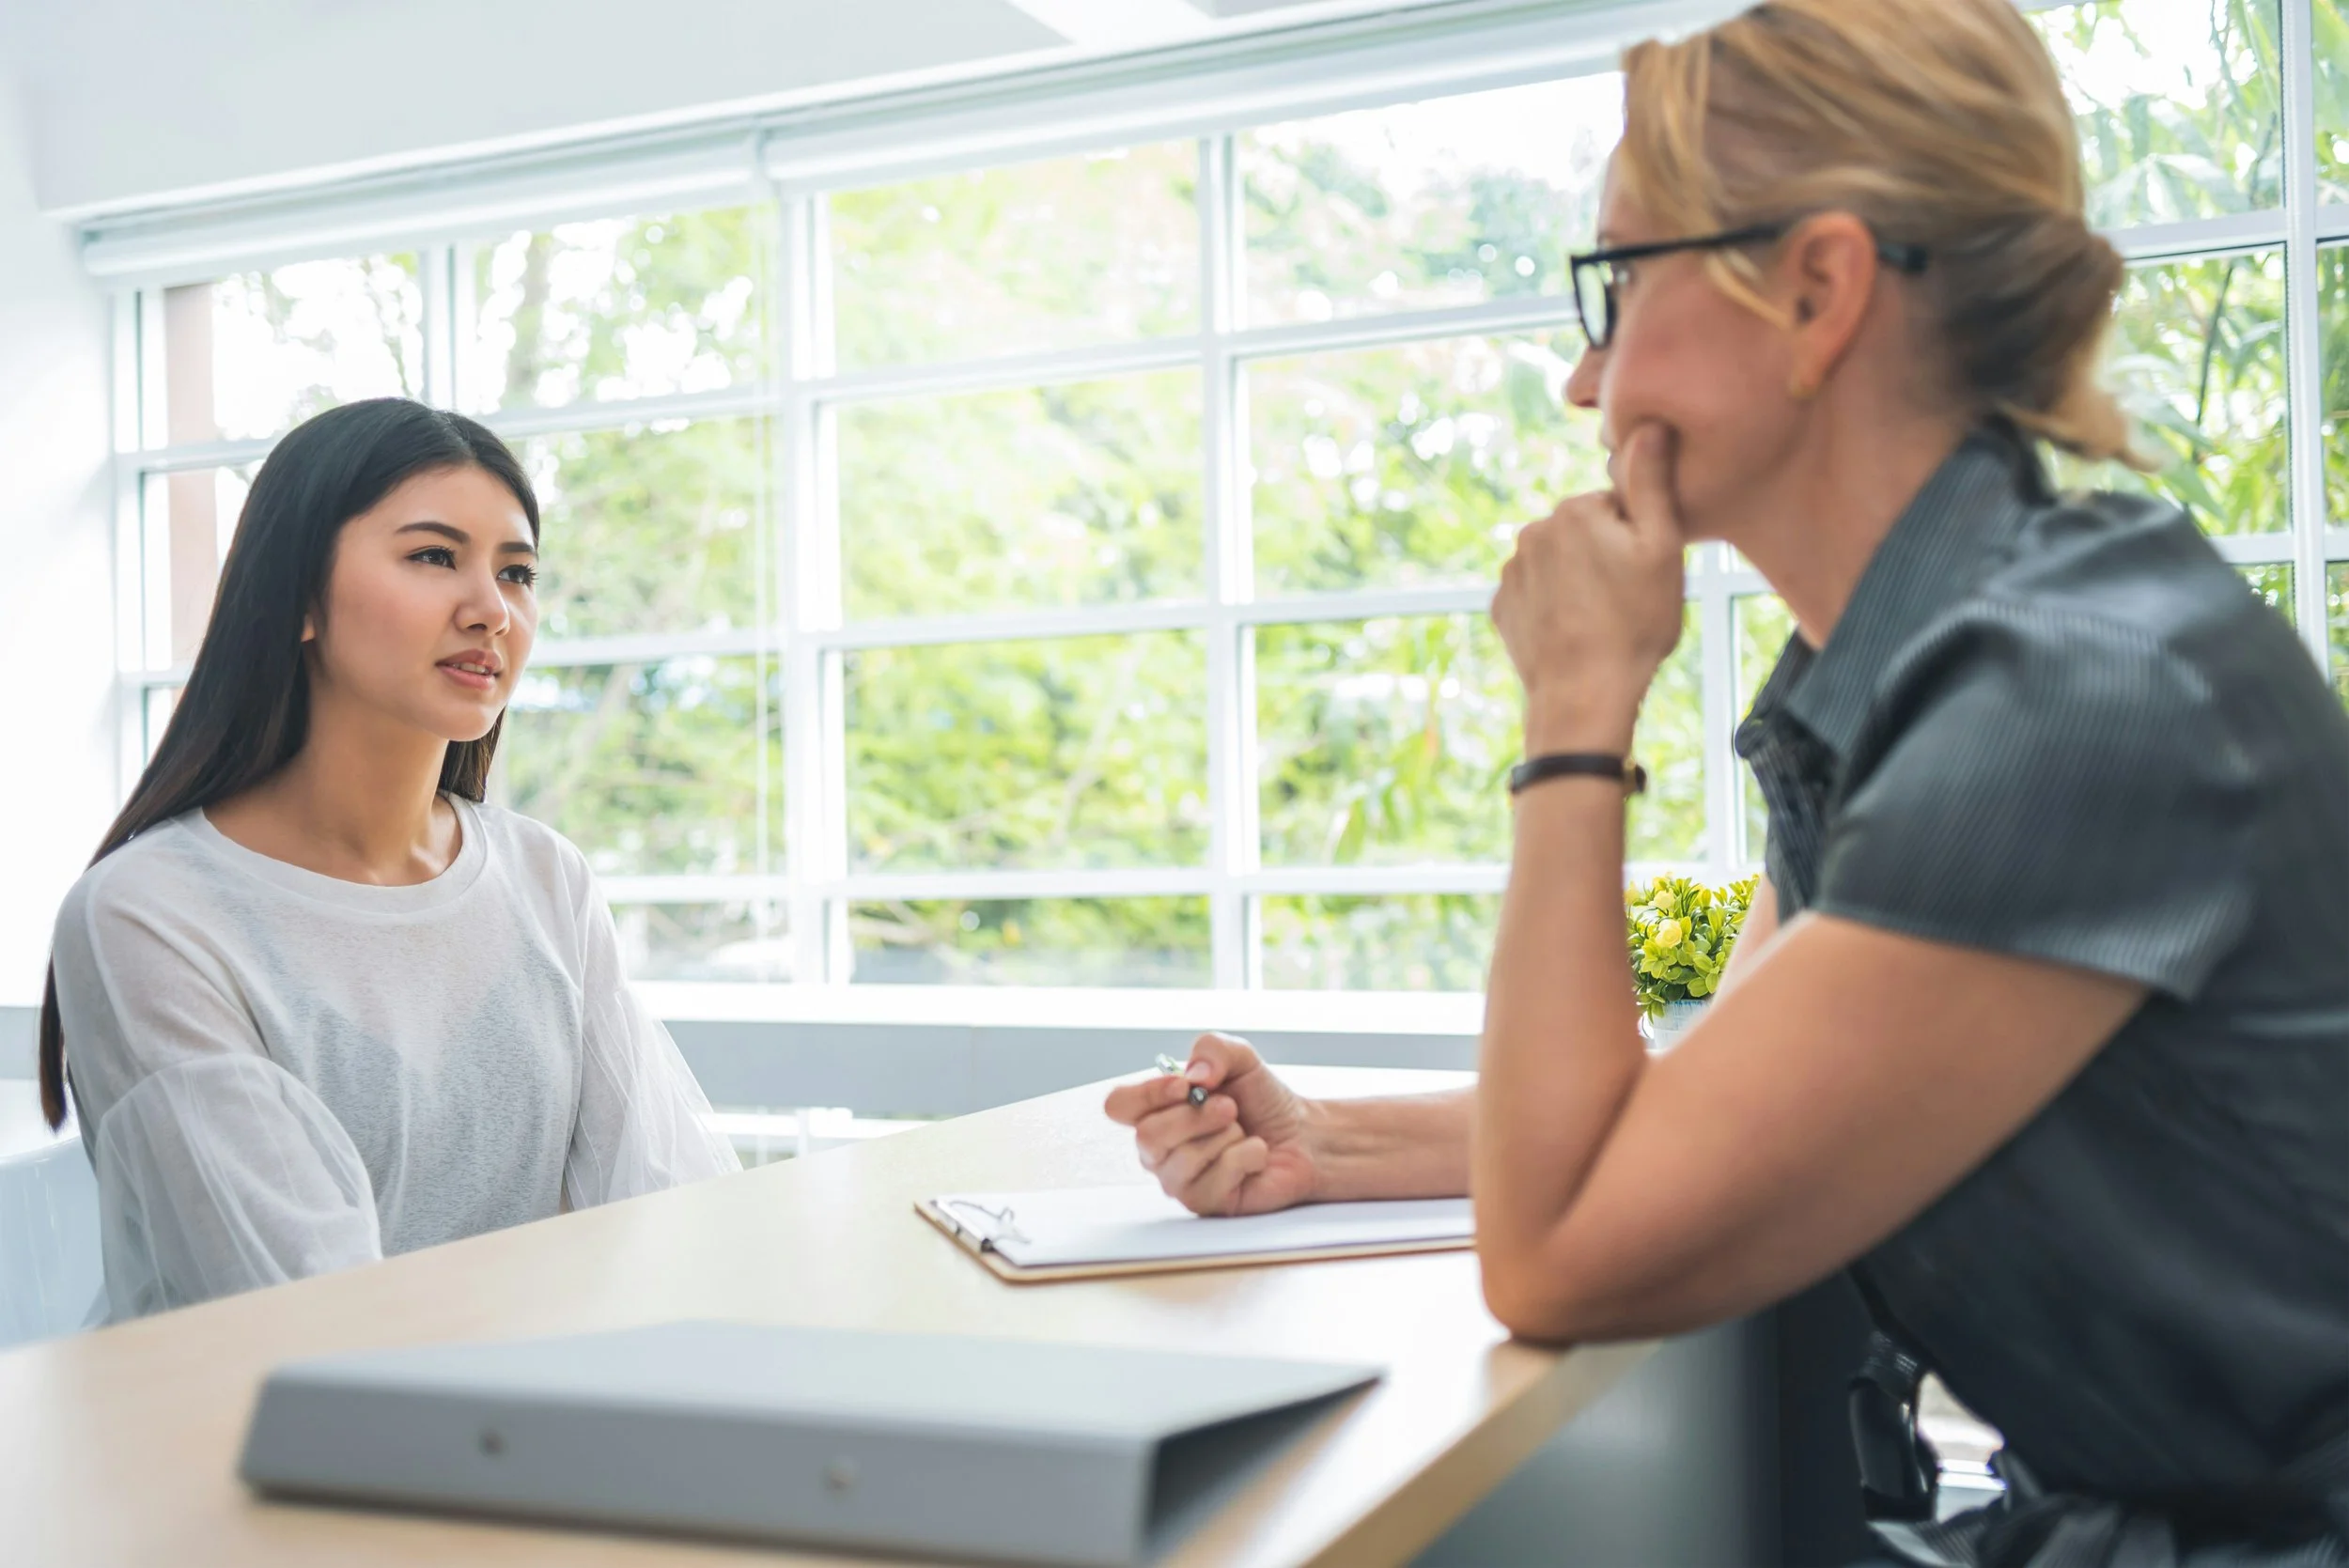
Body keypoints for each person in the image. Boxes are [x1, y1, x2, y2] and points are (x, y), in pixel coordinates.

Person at [1106, 0, 2349, 1560]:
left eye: (1620, 282)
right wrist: (1322, 1143)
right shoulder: (1920, 680)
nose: (1585, 379)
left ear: (1818, 288)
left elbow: (1566, 1251)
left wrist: (1575, 715)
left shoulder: (2071, 700)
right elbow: (1692, 1120)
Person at [38, 398, 739, 1321]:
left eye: (517, 572)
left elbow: (663, 1206)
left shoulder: (545, 878)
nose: (491, 610)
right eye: (434, 556)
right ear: (297, 600)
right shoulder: (148, 913)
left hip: (529, 1428)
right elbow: (292, 1304)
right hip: (240, 1446)